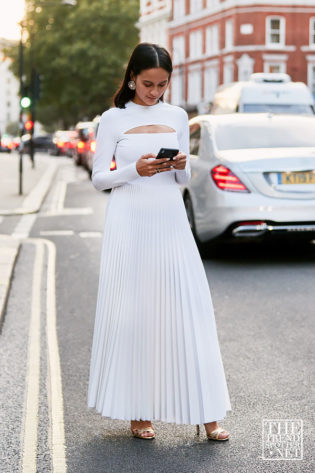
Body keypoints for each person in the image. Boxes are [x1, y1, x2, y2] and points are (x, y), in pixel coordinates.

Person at [87, 43, 232, 441]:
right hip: (129, 222)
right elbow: (100, 178)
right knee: (136, 315)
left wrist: (181, 165)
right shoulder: (113, 119)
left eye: (162, 84)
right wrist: (134, 169)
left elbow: (181, 182)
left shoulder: (177, 115)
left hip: (170, 220)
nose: (154, 92)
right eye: (147, 84)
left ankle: (208, 414)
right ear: (132, 76)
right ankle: (138, 412)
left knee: (190, 309)